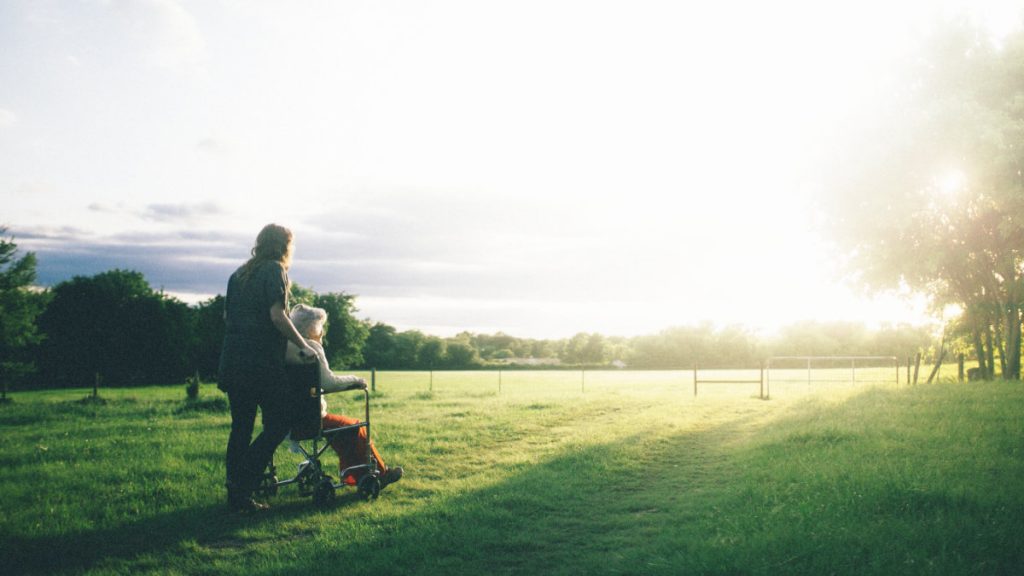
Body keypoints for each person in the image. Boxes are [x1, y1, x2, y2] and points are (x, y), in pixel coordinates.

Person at [218, 224, 318, 512]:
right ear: (284, 245)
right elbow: (277, 316)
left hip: (233, 361)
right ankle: (243, 482)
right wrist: (303, 345)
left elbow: (228, 316)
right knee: (279, 423)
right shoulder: (275, 270)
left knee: (241, 428)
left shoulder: (238, 274)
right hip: (260, 363)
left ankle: (236, 495)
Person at [285, 304, 403, 489]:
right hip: (310, 419)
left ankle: (353, 476)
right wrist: (356, 380)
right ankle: (380, 473)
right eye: (320, 326)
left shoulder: (284, 347)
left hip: (286, 419)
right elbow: (329, 383)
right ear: (312, 328)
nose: (322, 331)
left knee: (342, 430)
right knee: (355, 427)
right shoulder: (311, 347)